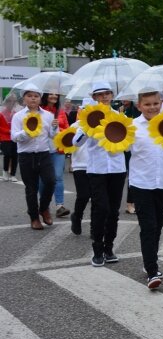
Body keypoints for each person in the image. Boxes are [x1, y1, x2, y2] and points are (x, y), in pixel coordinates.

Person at [73, 82, 128, 267]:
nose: (104, 97)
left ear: (112, 95)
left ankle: (109, 247)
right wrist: (88, 129)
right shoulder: (88, 117)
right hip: (97, 170)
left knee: (113, 211)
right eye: (100, 94)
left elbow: (128, 143)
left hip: (117, 169)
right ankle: (97, 248)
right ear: (95, 97)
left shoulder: (119, 116)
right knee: (101, 208)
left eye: (107, 93)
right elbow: (76, 142)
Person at [129, 89, 163, 289]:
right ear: (139, 106)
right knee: (148, 227)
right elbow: (119, 147)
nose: (152, 107)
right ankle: (152, 271)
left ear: (161, 104)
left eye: (155, 103)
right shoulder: (132, 127)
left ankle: (149, 260)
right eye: (147, 104)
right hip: (141, 184)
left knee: (157, 226)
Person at [11, 82, 56, 230]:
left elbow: (52, 135)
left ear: (40, 99)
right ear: (24, 99)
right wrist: (27, 132)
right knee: (31, 188)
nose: (33, 99)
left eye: (36, 96)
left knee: (50, 181)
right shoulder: (18, 116)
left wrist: (55, 127)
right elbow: (14, 137)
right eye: (29, 96)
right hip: (26, 155)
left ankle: (44, 208)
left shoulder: (48, 115)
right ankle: (34, 217)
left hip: (43, 154)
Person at [41, 92, 70, 218]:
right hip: (43, 149)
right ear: (45, 95)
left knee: (58, 176)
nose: (54, 96)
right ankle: (44, 206)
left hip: (58, 149)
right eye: (51, 94)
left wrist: (58, 129)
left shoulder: (60, 111)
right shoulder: (40, 111)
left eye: (56, 95)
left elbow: (67, 128)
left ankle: (60, 206)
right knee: (43, 179)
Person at [68, 99, 93, 236]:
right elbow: (70, 144)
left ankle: (94, 226)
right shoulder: (75, 126)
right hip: (80, 165)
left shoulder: (100, 124)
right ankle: (77, 216)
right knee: (83, 195)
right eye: (84, 109)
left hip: (96, 166)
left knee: (96, 198)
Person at [120, 99, 141, 214]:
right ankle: (129, 203)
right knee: (132, 173)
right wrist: (121, 114)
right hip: (130, 146)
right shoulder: (127, 111)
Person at [1, 96, 19, 182]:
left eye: (13, 102)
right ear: (6, 103)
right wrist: (8, 130)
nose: (12, 104)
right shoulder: (2, 113)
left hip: (14, 137)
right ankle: (5, 172)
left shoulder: (15, 113)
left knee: (15, 156)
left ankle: (12, 174)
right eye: (10, 102)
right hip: (4, 137)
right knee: (7, 154)